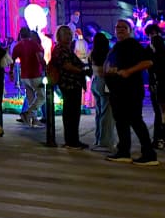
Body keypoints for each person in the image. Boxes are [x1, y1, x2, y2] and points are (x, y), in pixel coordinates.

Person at [102, 18, 157, 166]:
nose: (119, 29)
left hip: (130, 90)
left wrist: (128, 71)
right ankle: (123, 151)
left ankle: (149, 154)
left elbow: (148, 62)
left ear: (129, 30)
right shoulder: (118, 46)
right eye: (117, 27)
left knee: (135, 120)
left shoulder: (132, 44)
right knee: (121, 122)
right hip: (118, 91)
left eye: (123, 27)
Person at [47, 25, 89, 150]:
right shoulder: (61, 49)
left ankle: (73, 140)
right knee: (71, 113)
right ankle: (71, 141)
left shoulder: (66, 48)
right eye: (66, 34)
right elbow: (66, 66)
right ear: (59, 37)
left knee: (73, 113)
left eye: (70, 34)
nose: (69, 37)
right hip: (69, 84)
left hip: (72, 83)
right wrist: (82, 71)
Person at [12, 28, 47, 127]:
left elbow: (12, 60)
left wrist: (11, 72)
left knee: (31, 98)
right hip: (35, 74)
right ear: (29, 34)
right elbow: (40, 58)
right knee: (42, 96)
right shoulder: (34, 45)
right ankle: (28, 112)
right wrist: (45, 67)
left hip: (24, 76)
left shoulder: (17, 46)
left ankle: (34, 120)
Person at [88, 31, 115, 152]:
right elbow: (108, 70)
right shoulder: (108, 54)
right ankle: (105, 142)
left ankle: (98, 138)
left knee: (99, 112)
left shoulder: (92, 53)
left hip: (95, 82)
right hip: (105, 83)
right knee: (107, 113)